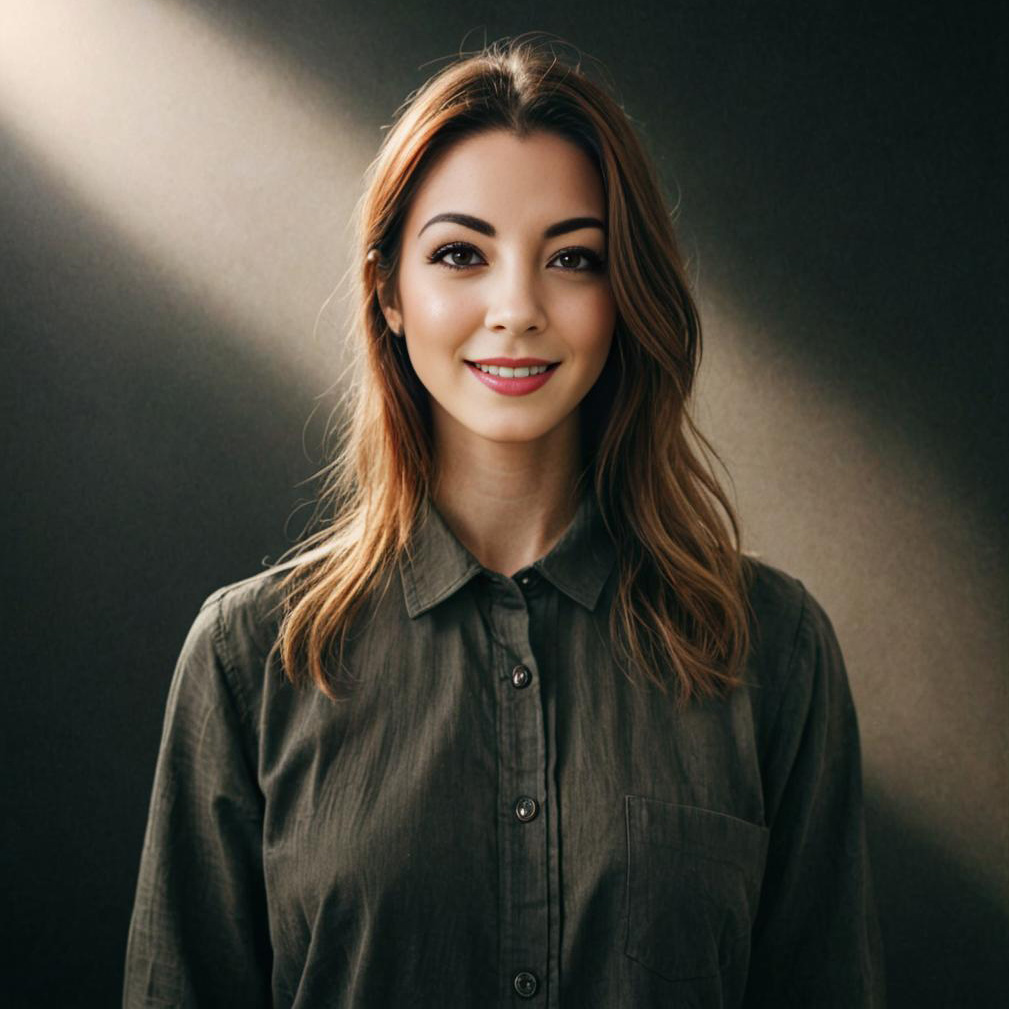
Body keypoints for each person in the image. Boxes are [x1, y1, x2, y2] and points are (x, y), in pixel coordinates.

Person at [122, 34, 885, 1008]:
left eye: (572, 257)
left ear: (624, 297)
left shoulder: (772, 650)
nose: (516, 307)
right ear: (389, 291)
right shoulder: (248, 660)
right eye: (459, 254)